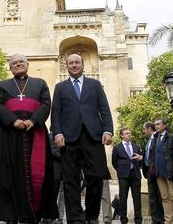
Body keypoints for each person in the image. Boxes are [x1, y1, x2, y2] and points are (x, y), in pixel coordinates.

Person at [0, 54, 58, 224]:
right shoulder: (3, 85)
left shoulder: (40, 83)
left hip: (35, 133)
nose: (18, 64)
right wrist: (13, 121)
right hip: (10, 134)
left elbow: (46, 104)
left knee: (37, 173)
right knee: (10, 173)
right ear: (10, 67)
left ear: (27, 64)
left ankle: (34, 214)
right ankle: (11, 214)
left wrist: (33, 120)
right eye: (14, 63)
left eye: (21, 62)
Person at [51, 54, 113, 224]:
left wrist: (108, 130)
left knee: (96, 177)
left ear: (83, 65)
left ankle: (91, 216)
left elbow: (104, 109)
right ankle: (75, 219)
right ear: (67, 66)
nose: (74, 65)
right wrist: (57, 133)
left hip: (93, 137)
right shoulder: (60, 87)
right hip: (68, 140)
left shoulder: (95, 85)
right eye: (70, 63)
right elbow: (55, 113)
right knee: (70, 180)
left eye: (77, 62)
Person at [149, 118, 173, 224]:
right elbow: (151, 155)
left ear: (164, 125)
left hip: (170, 172)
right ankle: (168, 220)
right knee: (164, 197)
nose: (156, 126)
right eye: (155, 125)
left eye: (158, 124)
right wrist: (152, 166)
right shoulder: (154, 139)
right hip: (158, 173)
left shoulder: (172, 138)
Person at [112, 128, 143, 224]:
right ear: (121, 135)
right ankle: (123, 220)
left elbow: (140, 160)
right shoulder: (117, 148)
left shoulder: (136, 147)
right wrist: (121, 170)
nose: (129, 134)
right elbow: (114, 162)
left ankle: (138, 220)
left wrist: (139, 160)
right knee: (123, 198)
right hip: (123, 176)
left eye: (130, 133)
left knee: (137, 198)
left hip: (135, 175)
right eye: (126, 133)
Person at [142, 122, 164, 224]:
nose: (143, 131)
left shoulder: (158, 137)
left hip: (157, 170)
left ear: (149, 129)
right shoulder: (148, 141)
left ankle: (162, 219)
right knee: (153, 196)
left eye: (144, 129)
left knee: (160, 195)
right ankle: (156, 220)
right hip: (150, 170)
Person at [50, 132, 65, 224]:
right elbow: (53, 151)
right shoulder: (50, 136)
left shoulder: (65, 135)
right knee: (53, 194)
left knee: (63, 196)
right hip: (54, 171)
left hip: (64, 171)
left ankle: (60, 217)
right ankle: (50, 216)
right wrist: (66, 157)